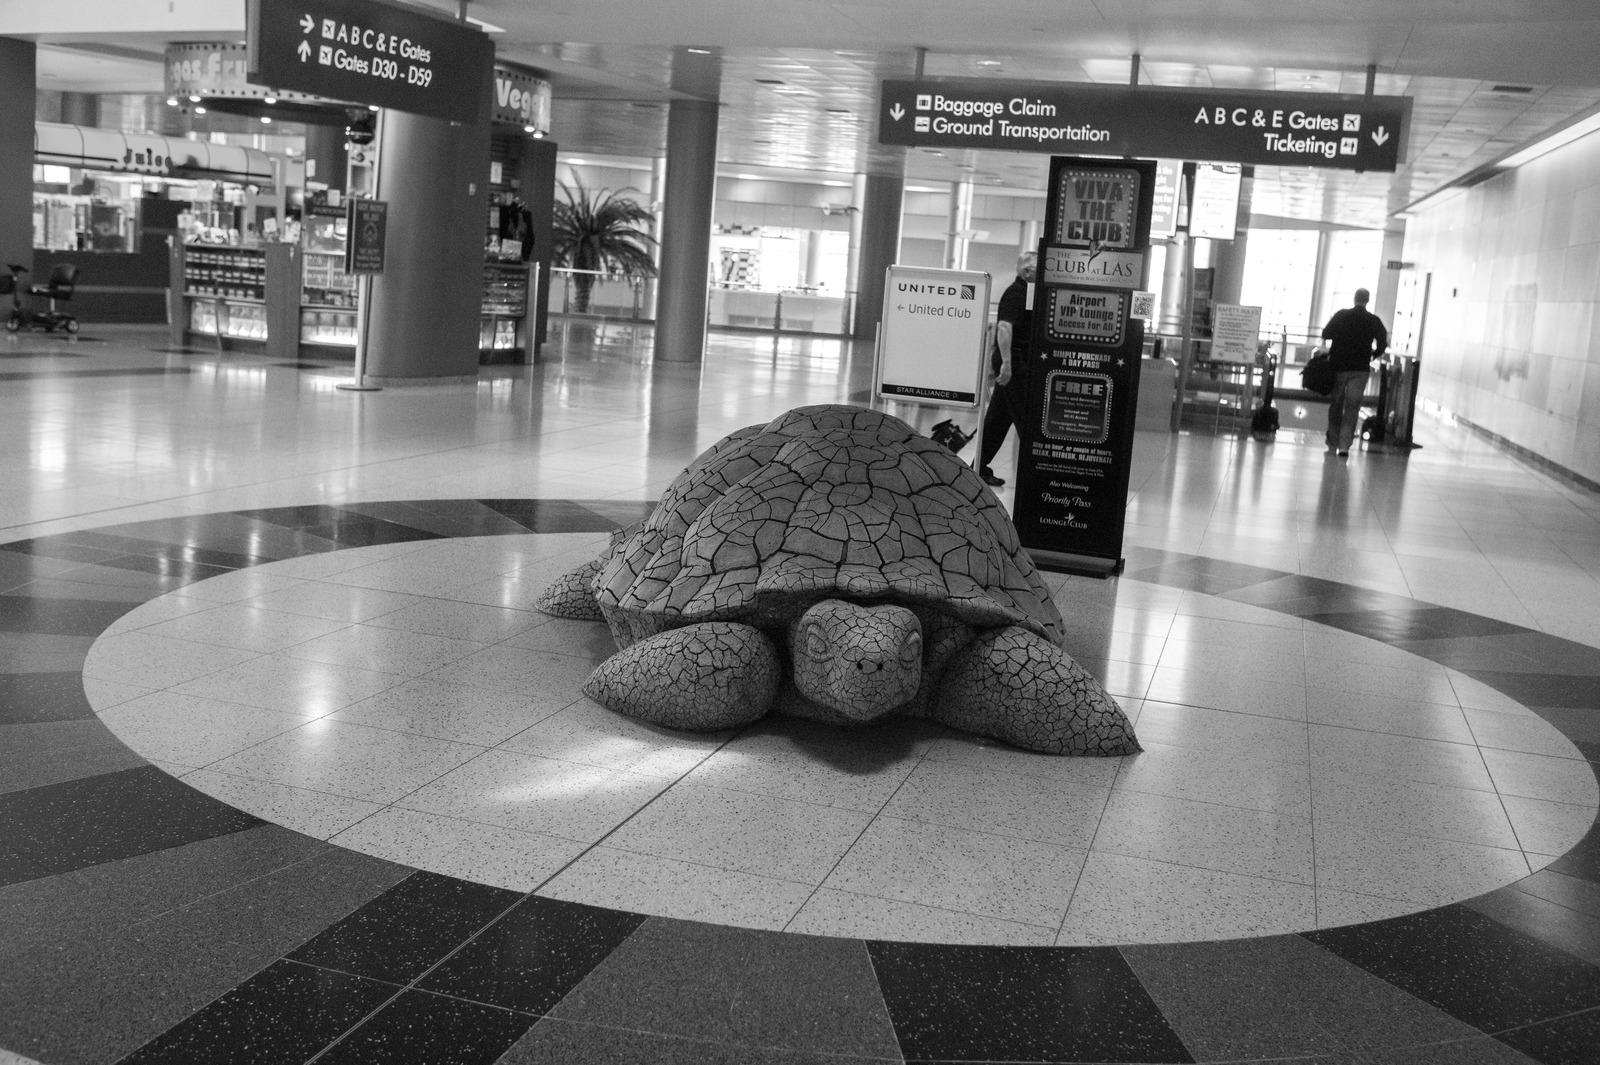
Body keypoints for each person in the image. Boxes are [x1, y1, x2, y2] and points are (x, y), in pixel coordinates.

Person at [977, 250, 1037, 486]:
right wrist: (1007, 364)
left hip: (1013, 362)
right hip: (1013, 363)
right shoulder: (1016, 294)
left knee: (998, 420)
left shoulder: (1028, 293)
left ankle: (979, 469)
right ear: (1025, 271)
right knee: (1025, 418)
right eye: (1039, 268)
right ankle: (1036, 474)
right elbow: (1004, 328)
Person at [1320, 287, 1388, 457]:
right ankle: (1344, 445)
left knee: (1336, 404)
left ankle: (1333, 441)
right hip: (1360, 369)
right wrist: (1373, 354)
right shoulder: (1373, 320)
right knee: (1352, 407)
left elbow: (1326, 333)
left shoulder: (1341, 315)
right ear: (1368, 300)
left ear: (1354, 298)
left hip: (1339, 366)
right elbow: (1382, 342)